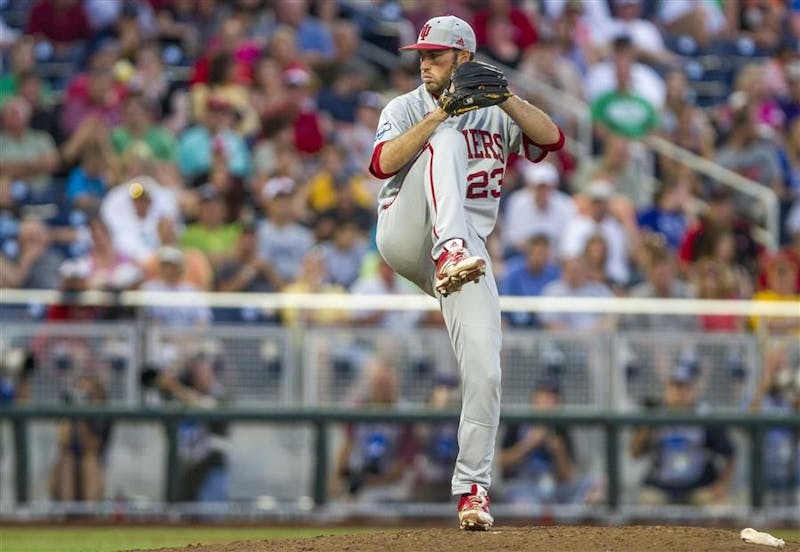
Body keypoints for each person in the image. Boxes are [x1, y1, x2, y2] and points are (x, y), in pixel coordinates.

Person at [369, 15, 564, 530]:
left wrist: (507, 99)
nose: (424, 63)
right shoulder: (406, 105)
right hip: (407, 232)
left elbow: (552, 139)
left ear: (464, 59)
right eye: (421, 55)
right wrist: (439, 117)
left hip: (467, 253)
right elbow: (383, 164)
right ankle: (450, 244)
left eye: (434, 55)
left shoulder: (494, 111)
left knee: (486, 367)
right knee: (447, 142)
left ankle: (472, 491)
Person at [630, 359, 737, 506]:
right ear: (667, 389)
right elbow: (635, 453)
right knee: (645, 504)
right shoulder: (655, 414)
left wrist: (722, 484)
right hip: (661, 486)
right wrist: (648, 425)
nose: (679, 392)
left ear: (694, 390)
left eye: (685, 387)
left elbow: (730, 453)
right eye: (675, 386)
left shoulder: (705, 416)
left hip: (699, 485)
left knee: (722, 510)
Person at [499, 377, 599, 506]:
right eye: (545, 395)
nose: (549, 401)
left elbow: (567, 477)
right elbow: (502, 464)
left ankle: (573, 525)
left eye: (554, 397)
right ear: (534, 398)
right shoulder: (518, 422)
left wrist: (558, 451)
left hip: (556, 488)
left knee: (596, 485)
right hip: (523, 486)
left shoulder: (561, 427)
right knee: (521, 506)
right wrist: (529, 443)